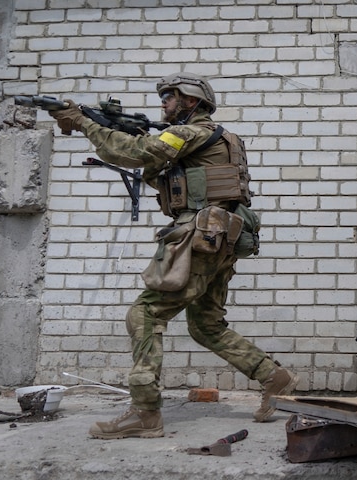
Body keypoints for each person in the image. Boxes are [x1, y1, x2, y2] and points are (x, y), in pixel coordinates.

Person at [49, 72, 298, 439]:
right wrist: (126, 134)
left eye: (170, 97)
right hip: (219, 238)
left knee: (145, 313)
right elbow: (159, 173)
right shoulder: (216, 138)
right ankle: (274, 377)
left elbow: (134, 154)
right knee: (206, 325)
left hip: (199, 238)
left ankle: (145, 413)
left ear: (192, 102)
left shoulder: (190, 133)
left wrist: (85, 123)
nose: (163, 103)